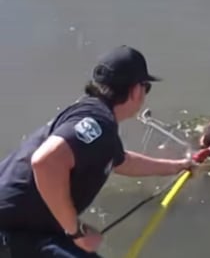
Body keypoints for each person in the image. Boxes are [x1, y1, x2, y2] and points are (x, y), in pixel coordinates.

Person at [0, 45, 193, 258]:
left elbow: (122, 162)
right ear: (136, 90)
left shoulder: (93, 118)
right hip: (13, 232)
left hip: (28, 227)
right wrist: (75, 230)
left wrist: (178, 166)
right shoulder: (98, 123)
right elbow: (45, 161)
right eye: (146, 87)